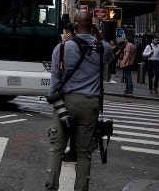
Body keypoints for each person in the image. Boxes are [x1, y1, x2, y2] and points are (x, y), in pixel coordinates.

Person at [45, 11, 114, 191]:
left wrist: (56, 105)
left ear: (74, 27)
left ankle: (51, 187)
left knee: (57, 148)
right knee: (84, 153)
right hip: (90, 104)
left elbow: (54, 83)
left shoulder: (61, 48)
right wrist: (98, 36)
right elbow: (110, 57)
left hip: (66, 102)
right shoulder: (103, 47)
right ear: (92, 27)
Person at [59, 23, 76, 162]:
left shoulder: (64, 47)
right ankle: (75, 151)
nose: (63, 35)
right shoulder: (95, 46)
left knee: (66, 128)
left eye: (64, 32)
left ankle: (71, 151)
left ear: (69, 34)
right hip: (90, 97)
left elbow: (58, 72)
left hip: (70, 95)